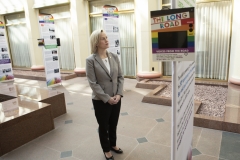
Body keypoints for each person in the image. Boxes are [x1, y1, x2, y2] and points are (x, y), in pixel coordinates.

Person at [86, 29, 124, 160]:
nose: (107, 40)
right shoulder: (91, 60)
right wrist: (107, 98)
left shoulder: (114, 56)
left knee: (113, 123)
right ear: (96, 42)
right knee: (104, 126)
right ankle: (106, 149)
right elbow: (93, 83)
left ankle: (113, 144)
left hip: (116, 98)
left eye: (106, 37)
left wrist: (119, 94)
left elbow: (120, 77)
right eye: (103, 38)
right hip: (101, 100)